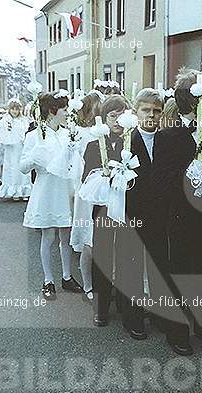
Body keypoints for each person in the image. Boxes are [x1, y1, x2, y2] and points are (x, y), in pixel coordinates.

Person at [150, 68, 202, 356]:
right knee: (180, 273)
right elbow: (161, 182)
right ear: (196, 103)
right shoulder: (168, 137)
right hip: (182, 218)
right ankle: (177, 331)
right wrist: (189, 176)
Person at [19, 92, 83, 300]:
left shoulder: (67, 134)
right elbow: (22, 167)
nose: (67, 113)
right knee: (48, 236)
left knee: (66, 236)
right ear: (52, 111)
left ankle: (66, 276)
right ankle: (48, 280)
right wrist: (34, 157)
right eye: (64, 109)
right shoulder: (34, 136)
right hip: (46, 190)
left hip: (65, 189)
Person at [115, 88, 163, 339]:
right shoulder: (126, 140)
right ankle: (131, 317)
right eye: (146, 110)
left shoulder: (166, 140)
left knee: (157, 265)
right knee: (132, 265)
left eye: (157, 111)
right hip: (133, 213)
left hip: (159, 214)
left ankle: (157, 312)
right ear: (136, 112)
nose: (152, 116)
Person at [85, 95, 131, 325]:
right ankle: (101, 306)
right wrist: (104, 177)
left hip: (127, 209)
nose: (118, 121)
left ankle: (124, 303)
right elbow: (87, 177)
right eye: (113, 116)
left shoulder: (132, 141)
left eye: (122, 115)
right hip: (103, 210)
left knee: (125, 255)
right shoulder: (95, 144)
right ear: (104, 118)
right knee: (102, 257)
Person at [69, 91, 103, 300]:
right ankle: (88, 285)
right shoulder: (81, 134)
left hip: (103, 191)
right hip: (88, 191)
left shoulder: (105, 132)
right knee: (88, 244)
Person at [0, 99, 32, 201]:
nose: (14, 111)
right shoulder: (5, 120)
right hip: (11, 148)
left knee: (22, 167)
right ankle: (13, 190)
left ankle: (24, 190)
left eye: (17, 109)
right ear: (9, 109)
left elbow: (25, 133)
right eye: (12, 109)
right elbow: (1, 133)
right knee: (12, 168)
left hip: (21, 147)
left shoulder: (23, 120)